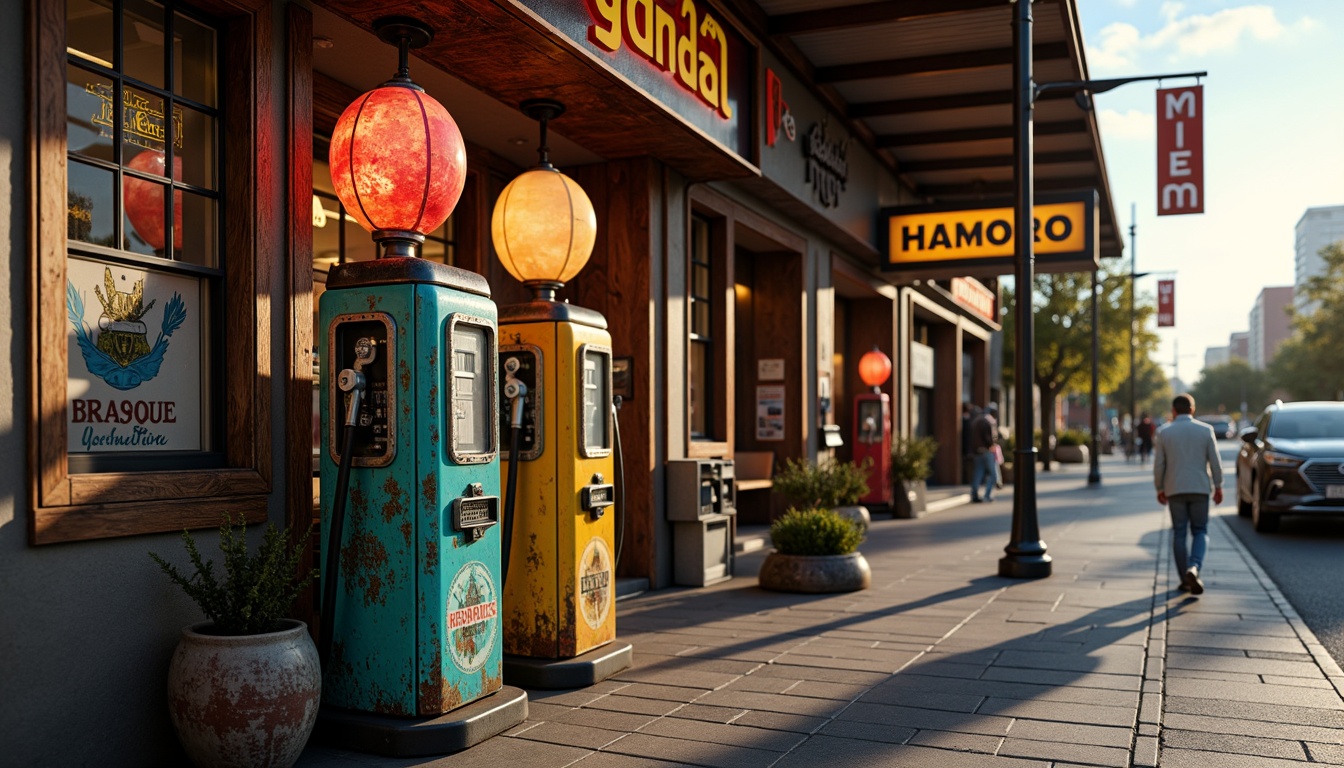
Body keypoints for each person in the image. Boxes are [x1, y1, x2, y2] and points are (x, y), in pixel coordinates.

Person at [1153, 393, 1223, 595]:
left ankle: (1185, 579)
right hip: (1200, 488)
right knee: (1200, 531)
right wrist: (1218, 486)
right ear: (1192, 409)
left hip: (1174, 489)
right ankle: (1195, 566)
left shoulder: (1164, 432)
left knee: (1179, 533)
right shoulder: (1205, 430)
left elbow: (1159, 465)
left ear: (1173, 411)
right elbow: (1215, 462)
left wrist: (1160, 488)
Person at [969, 403, 999, 503]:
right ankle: (987, 494)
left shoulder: (975, 421)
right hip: (987, 451)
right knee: (993, 474)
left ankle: (974, 494)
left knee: (978, 473)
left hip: (977, 451)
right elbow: (989, 437)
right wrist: (991, 445)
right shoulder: (988, 421)